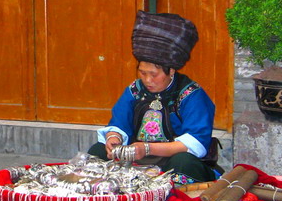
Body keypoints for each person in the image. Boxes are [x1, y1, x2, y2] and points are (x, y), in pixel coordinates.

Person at [89, 10, 219, 183]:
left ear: (171, 70)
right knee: (97, 152)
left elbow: (196, 142)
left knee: (184, 163)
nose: (147, 80)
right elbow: (119, 122)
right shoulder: (135, 90)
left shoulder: (191, 94)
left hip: (171, 160)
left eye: (154, 74)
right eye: (142, 73)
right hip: (135, 157)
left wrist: (148, 149)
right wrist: (114, 137)